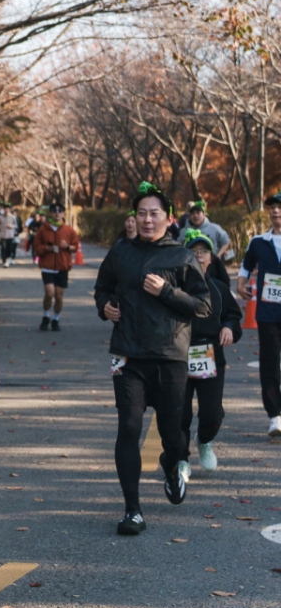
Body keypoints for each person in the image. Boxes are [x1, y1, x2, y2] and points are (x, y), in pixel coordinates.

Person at [93, 182, 211, 536]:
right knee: (128, 428)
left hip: (169, 357)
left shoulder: (182, 256)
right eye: (141, 213)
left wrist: (167, 291)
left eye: (154, 213)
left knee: (172, 433)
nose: (147, 219)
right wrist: (105, 307)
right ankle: (133, 510)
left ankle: (173, 463)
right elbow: (101, 288)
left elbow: (202, 306)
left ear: (169, 218)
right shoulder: (120, 253)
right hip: (128, 355)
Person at [177, 231, 242, 481]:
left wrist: (228, 327)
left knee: (212, 414)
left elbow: (233, 316)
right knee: (179, 414)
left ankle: (204, 440)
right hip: (179, 358)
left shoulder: (219, 288)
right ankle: (182, 458)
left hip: (211, 358)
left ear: (211, 258)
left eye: (203, 252)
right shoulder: (174, 287)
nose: (198, 256)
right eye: (193, 252)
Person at [236, 192, 281, 437]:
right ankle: (275, 416)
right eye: (272, 208)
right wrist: (241, 282)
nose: (276, 211)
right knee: (270, 363)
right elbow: (246, 264)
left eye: (280, 207)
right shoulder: (259, 242)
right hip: (268, 311)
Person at [32, 204, 79, 331]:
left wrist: (68, 247)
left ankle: (56, 319)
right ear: (50, 213)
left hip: (62, 266)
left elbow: (75, 246)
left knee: (59, 296)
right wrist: (47, 248)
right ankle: (46, 316)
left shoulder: (69, 230)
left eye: (60, 211)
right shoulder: (43, 229)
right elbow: (36, 245)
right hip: (47, 266)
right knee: (49, 293)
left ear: (63, 213)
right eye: (54, 211)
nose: (57, 213)